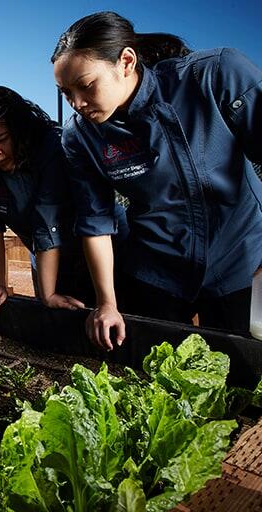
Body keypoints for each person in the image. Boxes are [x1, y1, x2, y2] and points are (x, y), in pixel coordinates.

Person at [52, 11, 262, 350]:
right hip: (157, 269)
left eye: (86, 86)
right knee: (152, 374)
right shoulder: (80, 137)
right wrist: (107, 303)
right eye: (65, 93)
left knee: (238, 374)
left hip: (240, 262)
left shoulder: (216, 74)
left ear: (126, 61)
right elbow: (95, 222)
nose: (77, 104)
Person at [0, 86, 128, 312]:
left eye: (2, 139)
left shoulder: (53, 146)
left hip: (103, 251)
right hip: (46, 258)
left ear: (20, 130)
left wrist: (48, 294)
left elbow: (46, 221)